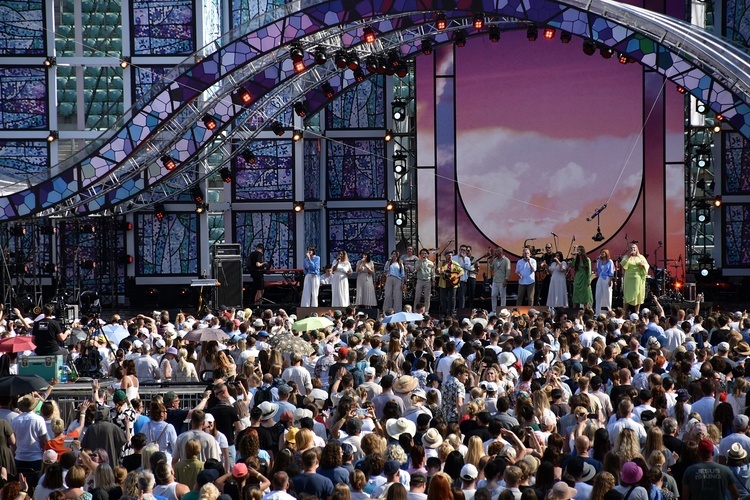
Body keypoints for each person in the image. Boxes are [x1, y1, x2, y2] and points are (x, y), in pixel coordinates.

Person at [620, 243, 650, 313]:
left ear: (637, 249)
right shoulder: (626, 257)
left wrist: (643, 265)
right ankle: (624, 311)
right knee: (627, 295)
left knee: (638, 294)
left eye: (634, 248)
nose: (632, 249)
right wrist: (629, 257)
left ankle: (637, 311)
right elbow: (623, 265)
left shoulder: (641, 257)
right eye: (631, 248)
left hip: (638, 278)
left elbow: (647, 265)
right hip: (629, 278)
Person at [439, 250, 463, 316]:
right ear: (445, 256)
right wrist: (439, 271)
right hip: (444, 283)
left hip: (453, 284)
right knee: (443, 298)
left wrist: (456, 277)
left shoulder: (455, 263)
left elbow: (462, 272)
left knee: (452, 298)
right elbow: (438, 271)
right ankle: (444, 312)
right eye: (448, 255)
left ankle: (451, 312)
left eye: (451, 255)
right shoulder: (442, 263)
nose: (450, 256)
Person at [413, 249, 435, 313]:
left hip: (427, 281)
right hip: (419, 280)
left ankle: (426, 311)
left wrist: (433, 281)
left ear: (427, 254)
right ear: (420, 255)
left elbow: (432, 273)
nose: (424, 255)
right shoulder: (417, 262)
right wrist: (421, 262)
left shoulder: (430, 263)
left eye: (425, 253)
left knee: (427, 298)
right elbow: (416, 270)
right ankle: (415, 310)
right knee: (417, 297)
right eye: (422, 253)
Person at [489, 247, 510, 312]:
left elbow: (508, 270)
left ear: (500, 252)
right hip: (495, 280)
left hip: (502, 280)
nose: (495, 253)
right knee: (493, 295)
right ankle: (494, 311)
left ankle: (502, 311)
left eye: (496, 252)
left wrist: (506, 279)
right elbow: (491, 268)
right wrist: (491, 262)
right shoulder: (495, 260)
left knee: (502, 296)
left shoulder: (506, 260)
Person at [595, 249, 615, 313]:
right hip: (600, 278)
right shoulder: (600, 261)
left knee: (607, 295)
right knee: (598, 294)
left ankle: (608, 310)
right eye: (601, 252)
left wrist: (610, 280)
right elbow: (596, 269)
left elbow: (611, 272)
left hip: (607, 278)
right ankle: (598, 311)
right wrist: (597, 261)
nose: (602, 253)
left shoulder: (610, 261)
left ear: (607, 253)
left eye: (604, 252)